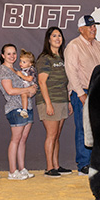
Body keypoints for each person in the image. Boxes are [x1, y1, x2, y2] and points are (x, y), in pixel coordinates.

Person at [64, 15, 100, 175]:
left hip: (98, 92)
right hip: (83, 90)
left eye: (94, 26)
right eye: (90, 26)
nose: (93, 28)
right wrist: (81, 94)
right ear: (80, 29)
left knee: (97, 129)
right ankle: (84, 164)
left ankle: (95, 162)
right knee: (83, 128)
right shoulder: (74, 46)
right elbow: (71, 71)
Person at [36, 27, 73, 178]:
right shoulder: (45, 58)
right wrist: (48, 104)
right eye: (54, 36)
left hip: (62, 100)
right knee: (51, 135)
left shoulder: (62, 58)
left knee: (57, 135)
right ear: (48, 39)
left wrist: (68, 101)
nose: (58, 38)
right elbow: (41, 82)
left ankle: (56, 165)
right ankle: (49, 167)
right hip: (49, 101)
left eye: (60, 36)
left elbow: (65, 82)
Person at [0, 44, 37, 180]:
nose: (12, 56)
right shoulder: (3, 70)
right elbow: (10, 91)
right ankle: (12, 171)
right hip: (15, 108)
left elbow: (30, 88)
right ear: (3, 56)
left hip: (27, 107)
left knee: (22, 140)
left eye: (14, 53)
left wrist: (32, 89)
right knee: (16, 139)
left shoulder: (17, 70)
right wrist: (27, 90)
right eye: (8, 54)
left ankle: (21, 168)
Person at [16, 49, 37, 119]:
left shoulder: (31, 69)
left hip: (31, 87)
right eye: (21, 61)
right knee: (23, 95)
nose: (21, 63)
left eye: (24, 62)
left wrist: (21, 75)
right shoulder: (23, 70)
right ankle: (24, 109)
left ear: (30, 64)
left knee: (23, 94)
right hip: (26, 87)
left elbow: (30, 79)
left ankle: (24, 110)